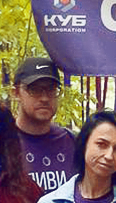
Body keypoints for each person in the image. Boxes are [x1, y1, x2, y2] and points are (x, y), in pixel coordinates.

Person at [12, 56, 79, 193]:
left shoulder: (74, 143)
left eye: (51, 90)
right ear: (16, 93)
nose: (44, 98)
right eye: (35, 90)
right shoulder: (1, 143)